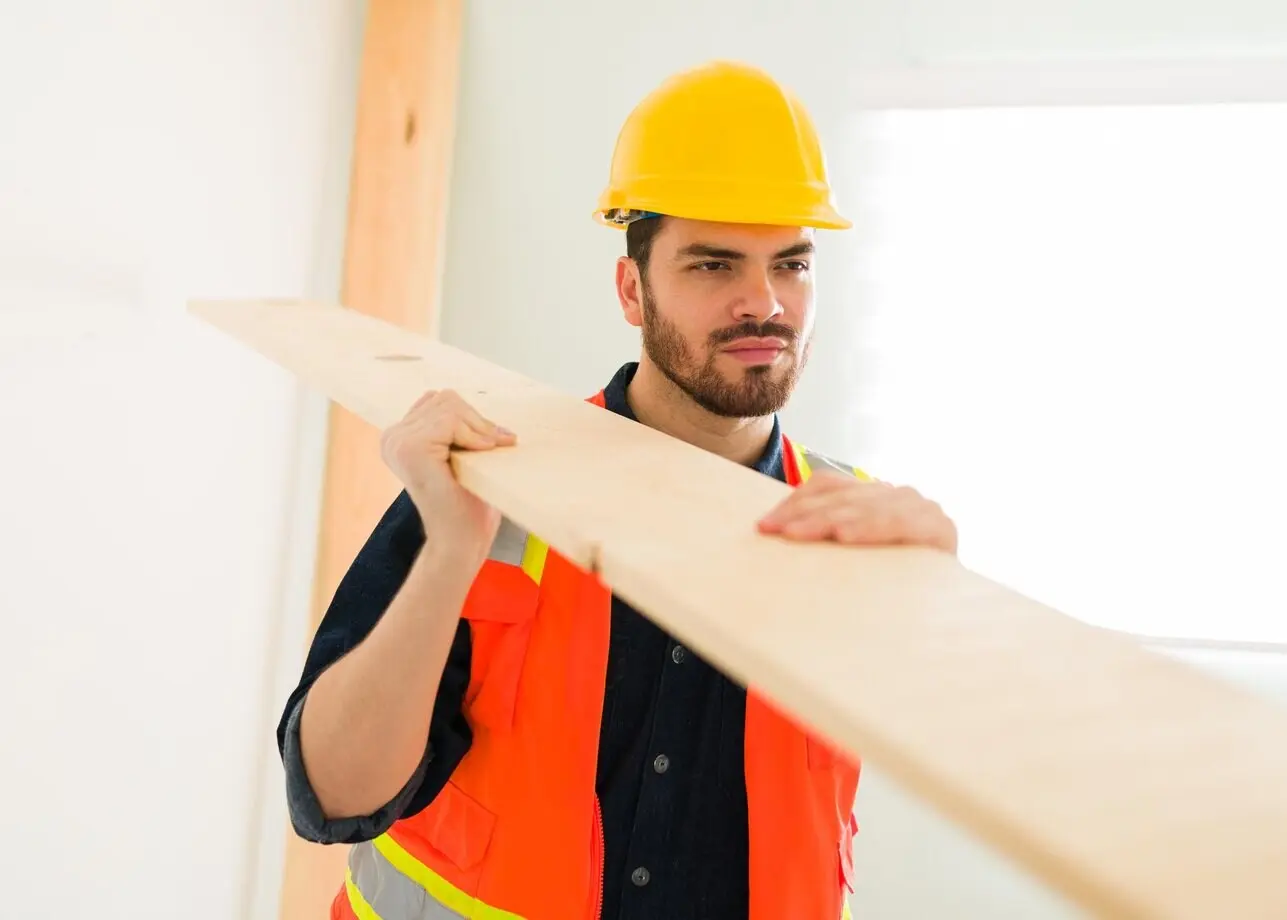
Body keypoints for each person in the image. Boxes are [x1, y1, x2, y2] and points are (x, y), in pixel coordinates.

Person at [276, 60, 958, 920]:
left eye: (791, 264)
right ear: (632, 289)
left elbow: (979, 761)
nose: (765, 303)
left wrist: (938, 600)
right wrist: (450, 547)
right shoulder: (486, 474)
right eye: (714, 266)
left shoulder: (850, 531)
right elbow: (332, 796)